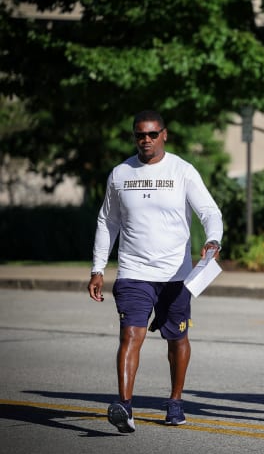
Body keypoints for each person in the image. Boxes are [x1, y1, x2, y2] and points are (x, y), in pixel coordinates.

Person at [87, 110, 223, 433]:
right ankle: (125, 405)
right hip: (133, 271)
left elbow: (209, 211)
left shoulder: (182, 171)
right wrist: (98, 267)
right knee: (130, 335)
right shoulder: (120, 174)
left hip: (176, 275)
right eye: (139, 135)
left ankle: (175, 400)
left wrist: (213, 240)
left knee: (177, 339)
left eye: (151, 134)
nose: (145, 140)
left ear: (164, 134)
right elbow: (107, 222)